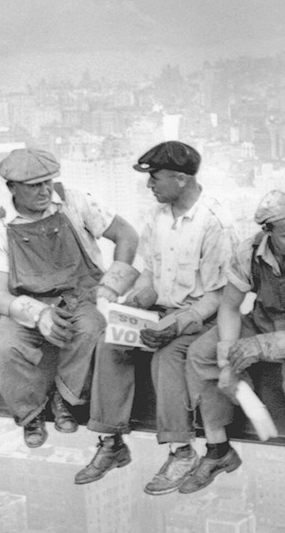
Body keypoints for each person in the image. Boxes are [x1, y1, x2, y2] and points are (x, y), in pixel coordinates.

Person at [75, 141, 232, 493]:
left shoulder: (214, 222)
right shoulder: (157, 217)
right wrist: (133, 306)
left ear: (180, 178)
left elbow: (218, 296)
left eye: (155, 178)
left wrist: (175, 324)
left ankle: (181, 452)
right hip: (162, 311)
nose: (150, 186)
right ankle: (111, 442)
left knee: (169, 356)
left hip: (202, 320)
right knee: (110, 343)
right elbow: (150, 274)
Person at [185, 189, 285, 508]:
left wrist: (263, 346)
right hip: (262, 318)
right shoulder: (249, 251)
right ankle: (218, 448)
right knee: (201, 353)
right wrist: (228, 358)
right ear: (268, 232)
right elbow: (230, 307)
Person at [0, 147, 139, 448]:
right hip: (27, 304)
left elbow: (127, 235)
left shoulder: (75, 200)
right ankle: (30, 414)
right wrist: (38, 315)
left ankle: (65, 399)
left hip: (80, 297)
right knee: (4, 347)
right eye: (34, 185)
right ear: (12, 187)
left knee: (90, 331)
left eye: (48, 181)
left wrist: (111, 287)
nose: (45, 190)